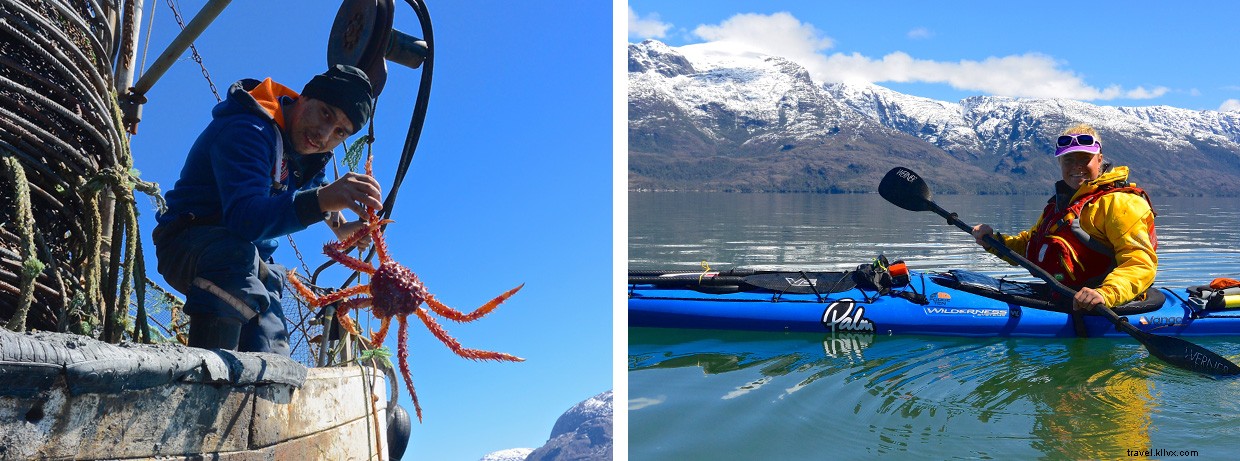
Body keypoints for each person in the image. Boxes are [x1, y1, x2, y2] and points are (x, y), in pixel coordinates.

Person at [152, 64, 383, 354]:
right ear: (305, 97)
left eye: (340, 132)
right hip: (187, 242)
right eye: (326, 113)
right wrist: (324, 199)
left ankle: (265, 387)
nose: (325, 135)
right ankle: (206, 378)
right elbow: (245, 220)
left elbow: (316, 189)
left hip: (248, 261)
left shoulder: (307, 153)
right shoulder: (247, 130)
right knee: (238, 258)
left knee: (271, 289)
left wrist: (343, 227)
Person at [970, 123, 1158, 313]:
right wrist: (993, 241)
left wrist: (1106, 293)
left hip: (1108, 306)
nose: (1077, 166)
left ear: (1099, 160)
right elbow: (1029, 247)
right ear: (1060, 163)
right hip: (1066, 298)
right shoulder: (1060, 205)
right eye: (1068, 160)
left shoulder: (1121, 203)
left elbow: (1140, 263)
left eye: (1085, 159)